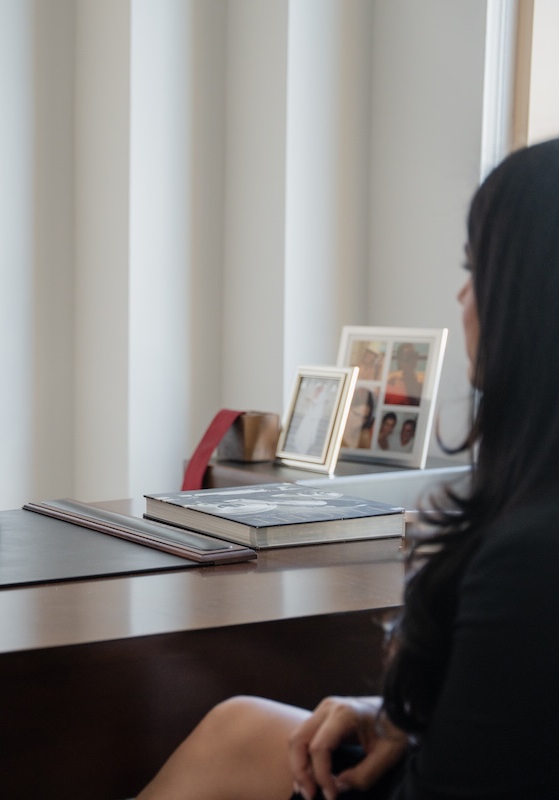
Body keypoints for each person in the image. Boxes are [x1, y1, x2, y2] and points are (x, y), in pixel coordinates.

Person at [136, 137, 559, 799]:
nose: (461, 296)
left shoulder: (529, 560)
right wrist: (402, 719)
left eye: (477, 269)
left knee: (234, 735)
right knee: (242, 724)